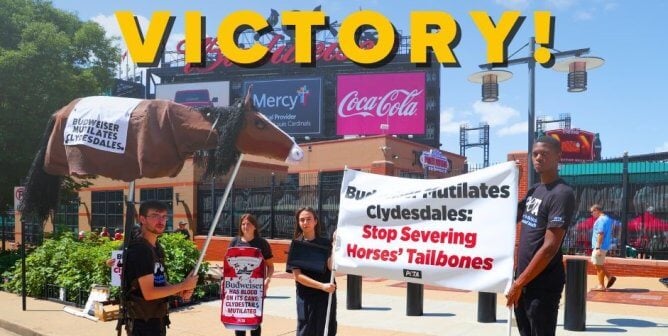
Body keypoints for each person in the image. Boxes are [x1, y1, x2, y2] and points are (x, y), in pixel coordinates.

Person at [507, 136, 575, 336]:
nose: (538, 158)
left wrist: (519, 283)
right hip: (523, 281)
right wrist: (513, 180)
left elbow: (549, 248)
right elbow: (509, 216)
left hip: (542, 285)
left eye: (544, 154)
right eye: (535, 154)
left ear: (558, 157)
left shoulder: (562, 193)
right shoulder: (535, 190)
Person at [123, 200, 198, 336]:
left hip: (156, 319)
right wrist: (182, 286)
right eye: (155, 215)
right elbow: (149, 292)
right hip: (142, 323)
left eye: (164, 216)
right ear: (142, 219)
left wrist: (179, 292)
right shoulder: (141, 250)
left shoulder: (156, 247)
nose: (161, 220)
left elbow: (159, 281)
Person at [286, 207, 337, 336]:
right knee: (306, 329)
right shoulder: (296, 245)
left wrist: (335, 245)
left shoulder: (325, 243)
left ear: (315, 221)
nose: (305, 223)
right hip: (306, 296)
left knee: (326, 328)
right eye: (302, 220)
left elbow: (331, 267)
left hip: (326, 296)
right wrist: (321, 286)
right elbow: (298, 276)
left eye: (309, 219)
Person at [227, 213, 275, 336]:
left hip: (255, 288)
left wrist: (267, 280)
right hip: (238, 289)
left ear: (255, 226)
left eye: (248, 224)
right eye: (243, 224)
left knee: (255, 320)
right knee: (239, 320)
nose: (245, 226)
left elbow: (270, 266)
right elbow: (228, 265)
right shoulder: (234, 242)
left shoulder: (262, 243)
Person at [590, 204, 616, 291]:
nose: (591, 214)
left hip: (600, 246)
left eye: (592, 212)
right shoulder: (608, 219)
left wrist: (597, 248)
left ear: (597, 210)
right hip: (604, 246)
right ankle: (609, 277)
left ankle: (601, 285)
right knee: (599, 264)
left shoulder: (601, 220)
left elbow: (601, 234)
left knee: (598, 266)